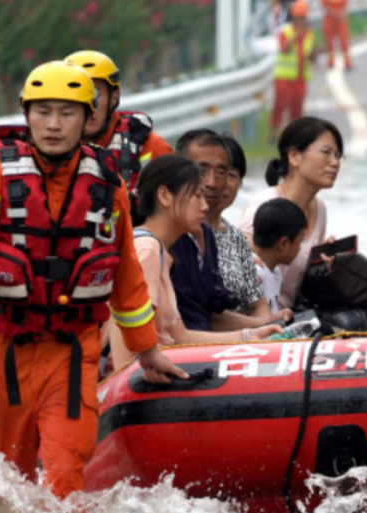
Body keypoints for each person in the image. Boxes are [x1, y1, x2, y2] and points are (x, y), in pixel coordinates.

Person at [0, 61, 186, 499]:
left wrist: (148, 352)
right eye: (42, 111)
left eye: (67, 113)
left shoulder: (107, 184)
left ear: (88, 118)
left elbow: (125, 278)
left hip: (72, 352)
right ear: (27, 116)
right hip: (5, 351)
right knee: (11, 489)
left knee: (65, 484)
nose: (53, 124)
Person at [108, 155, 281, 370]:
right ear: (164, 196)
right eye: (196, 196)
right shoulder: (147, 249)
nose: (204, 206)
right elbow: (123, 333)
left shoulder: (162, 252)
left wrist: (250, 335)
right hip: (145, 381)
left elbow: (180, 336)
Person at [173, 130, 292, 331]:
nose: (212, 182)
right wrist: (262, 325)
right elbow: (205, 316)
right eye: (202, 171)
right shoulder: (173, 236)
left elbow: (258, 302)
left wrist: (265, 329)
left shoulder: (234, 237)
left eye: (222, 173)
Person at [238, 116, 343, 310]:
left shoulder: (319, 209)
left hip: (291, 319)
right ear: (294, 156)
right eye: (326, 152)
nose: (335, 162)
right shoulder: (263, 205)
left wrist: (320, 262)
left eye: (338, 155)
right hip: (258, 324)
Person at [64, 50, 173, 193]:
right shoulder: (46, 152)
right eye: (76, 97)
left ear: (114, 97)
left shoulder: (152, 147)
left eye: (94, 95)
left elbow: (174, 209)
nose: (88, 107)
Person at [251, 198, 309, 312]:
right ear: (284, 244)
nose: (300, 248)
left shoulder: (275, 271)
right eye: (300, 242)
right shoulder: (256, 274)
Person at [271, 0, 316, 142]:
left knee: (297, 110)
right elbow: (284, 48)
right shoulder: (285, 32)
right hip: (284, 78)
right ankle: (273, 134)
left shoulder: (309, 35)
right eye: (300, 17)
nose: (302, 20)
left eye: (304, 17)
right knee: (279, 107)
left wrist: (317, 52)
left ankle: (293, 138)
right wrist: (297, 35)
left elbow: (310, 55)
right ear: (294, 17)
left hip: (300, 78)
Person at [321, 0, 352, 70]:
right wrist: (335, 14)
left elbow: (345, 4)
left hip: (341, 19)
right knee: (329, 42)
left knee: (344, 41)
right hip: (330, 18)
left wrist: (342, 14)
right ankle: (331, 61)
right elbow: (325, 5)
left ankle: (347, 62)